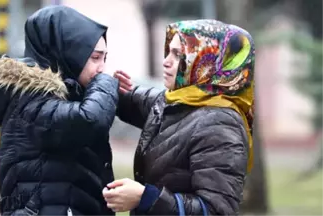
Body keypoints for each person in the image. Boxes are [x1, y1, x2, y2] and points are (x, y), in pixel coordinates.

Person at [103, 19, 254, 216]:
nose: (166, 61)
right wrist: (101, 84)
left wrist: (146, 197)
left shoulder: (221, 124)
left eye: (178, 55)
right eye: (168, 52)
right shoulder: (180, 101)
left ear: (207, 62)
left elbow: (217, 210)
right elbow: (132, 101)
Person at [0, 6, 118, 216]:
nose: (102, 69)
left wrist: (127, 94)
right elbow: (89, 121)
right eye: (95, 58)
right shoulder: (29, 97)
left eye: (104, 59)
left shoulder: (69, 95)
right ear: (69, 54)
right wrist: (107, 84)